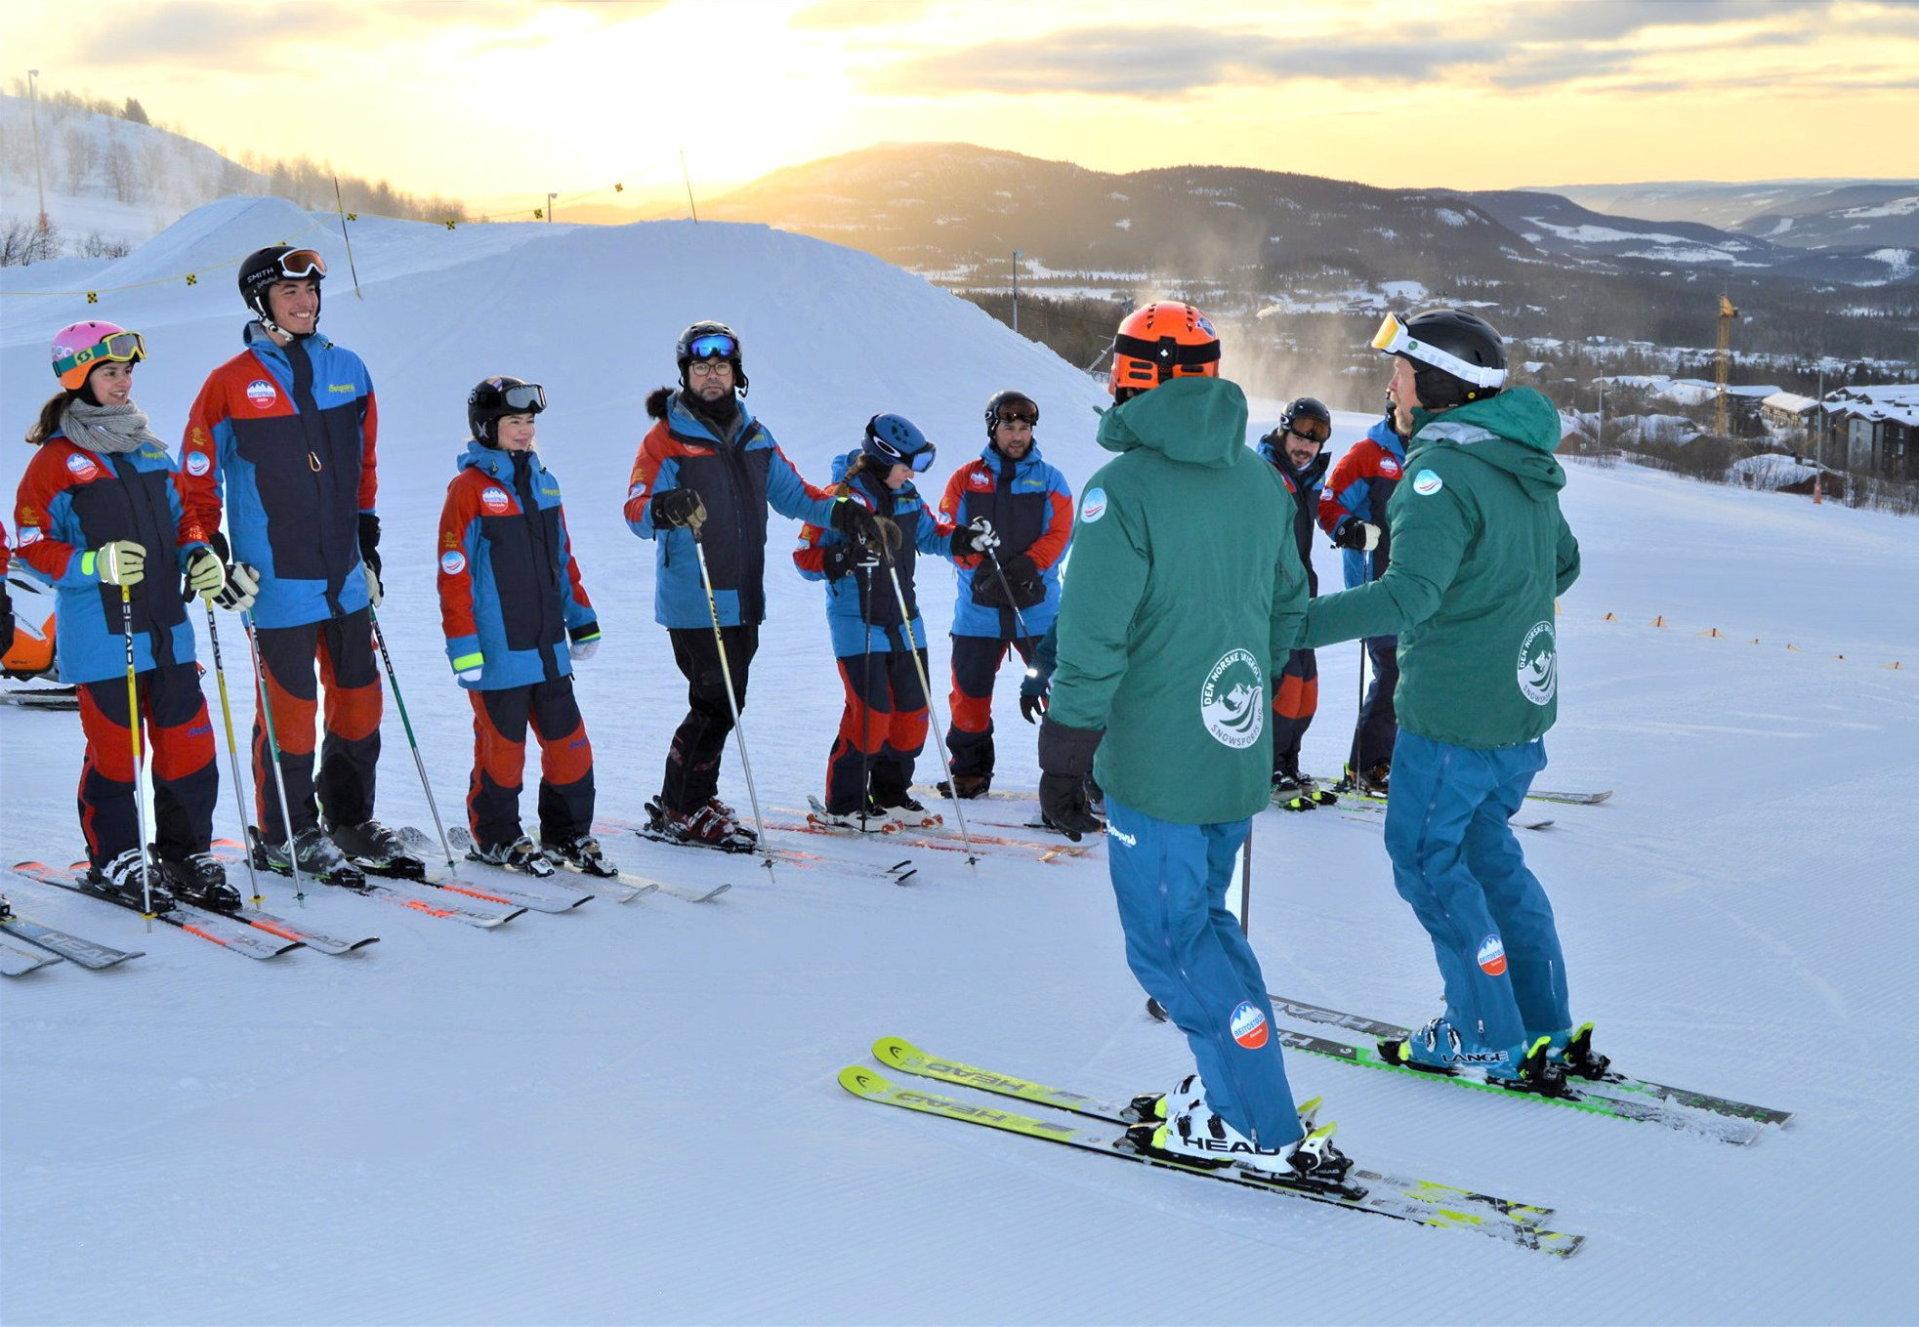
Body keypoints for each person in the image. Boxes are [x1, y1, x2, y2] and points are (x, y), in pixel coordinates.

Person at [1036, 301, 1350, 1185]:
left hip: (1158, 765)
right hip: (1232, 753)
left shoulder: (1121, 491)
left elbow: (1093, 640)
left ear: (1139, 378)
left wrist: (1064, 753)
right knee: (1206, 924)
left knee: (1170, 947)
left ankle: (1254, 1120)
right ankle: (1239, 1089)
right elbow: (1287, 607)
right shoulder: (1257, 483)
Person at [1300, 308, 1593, 1093]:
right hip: (1517, 710)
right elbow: (1559, 565)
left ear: (1433, 383)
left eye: (1398, 368)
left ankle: (1481, 1032)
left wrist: (1289, 626)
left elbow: (1408, 597)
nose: (1389, 382)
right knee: (1487, 855)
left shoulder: (1436, 473)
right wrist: (1494, 603)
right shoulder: (1516, 459)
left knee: (1427, 860)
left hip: (1456, 714)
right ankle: (1541, 1023)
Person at [623, 321, 896, 851]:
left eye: (720, 367)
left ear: (736, 374)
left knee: (729, 700)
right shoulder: (665, 441)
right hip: (695, 594)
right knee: (714, 702)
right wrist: (665, 506)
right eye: (700, 367)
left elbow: (797, 496)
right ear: (686, 374)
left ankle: (693, 794)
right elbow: (635, 512)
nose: (711, 376)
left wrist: (850, 515)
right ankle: (683, 806)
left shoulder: (754, 436)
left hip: (745, 595)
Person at [179, 246, 397, 887]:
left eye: (310, 294)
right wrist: (207, 548)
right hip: (275, 581)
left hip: (346, 576)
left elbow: (366, 467)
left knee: (360, 702)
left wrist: (368, 541)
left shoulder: (348, 370)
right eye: (290, 295)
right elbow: (193, 485)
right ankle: (285, 835)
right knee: (291, 709)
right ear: (260, 302)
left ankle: (350, 821)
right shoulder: (227, 383)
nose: (305, 304)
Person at [12, 321, 235, 911]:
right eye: (110, 372)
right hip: (103, 635)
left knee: (190, 747)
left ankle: (185, 853)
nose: (123, 381)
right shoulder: (56, 463)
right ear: (78, 379)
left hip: (168, 630)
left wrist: (200, 553)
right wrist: (93, 562)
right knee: (115, 753)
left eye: (128, 371)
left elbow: (185, 516)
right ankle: (115, 856)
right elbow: (30, 545)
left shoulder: (150, 450)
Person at [437, 376, 609, 879]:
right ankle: (497, 837)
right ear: (488, 427)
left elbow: (562, 558)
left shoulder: (544, 482)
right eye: (514, 422)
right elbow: (454, 571)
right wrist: (464, 645)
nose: (524, 431)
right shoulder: (467, 490)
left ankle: (567, 833)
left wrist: (581, 619)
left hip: (548, 647)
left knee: (570, 746)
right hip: (497, 653)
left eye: (530, 422)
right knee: (503, 751)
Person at [795, 414, 996, 829]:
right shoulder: (840, 499)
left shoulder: (907, 496)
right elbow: (804, 558)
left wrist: (965, 539)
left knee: (911, 714)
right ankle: (845, 804)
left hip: (905, 618)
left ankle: (890, 795)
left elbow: (932, 535)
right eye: (908, 465)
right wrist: (844, 557)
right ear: (882, 458)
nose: (911, 474)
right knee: (871, 714)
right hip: (857, 620)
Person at [935, 390, 1073, 798]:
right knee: (969, 693)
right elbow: (947, 531)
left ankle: (1075, 773)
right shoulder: (965, 478)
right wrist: (976, 564)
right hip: (978, 611)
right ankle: (970, 771)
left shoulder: (1049, 479)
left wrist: (1029, 565)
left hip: (1038, 609)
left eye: (1025, 428)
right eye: (1009, 427)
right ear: (993, 429)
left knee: (1062, 689)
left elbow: (1061, 533)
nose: (1017, 436)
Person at [1317, 391, 1409, 793]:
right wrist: (1350, 529)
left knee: (1418, 677)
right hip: (1377, 586)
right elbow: (1329, 502)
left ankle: (1404, 761)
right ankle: (1367, 766)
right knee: (1391, 672)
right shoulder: (1370, 454)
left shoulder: (1437, 451)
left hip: (1424, 591)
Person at [1257, 398, 1333, 808]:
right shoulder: (1264, 474)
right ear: (1283, 430)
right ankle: (1267, 765)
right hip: (1273, 600)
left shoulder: (1306, 478)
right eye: (1301, 434)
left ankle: (1289, 760)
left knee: (1307, 691)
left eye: (1316, 438)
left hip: (1302, 594)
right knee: (1283, 689)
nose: (1306, 444)